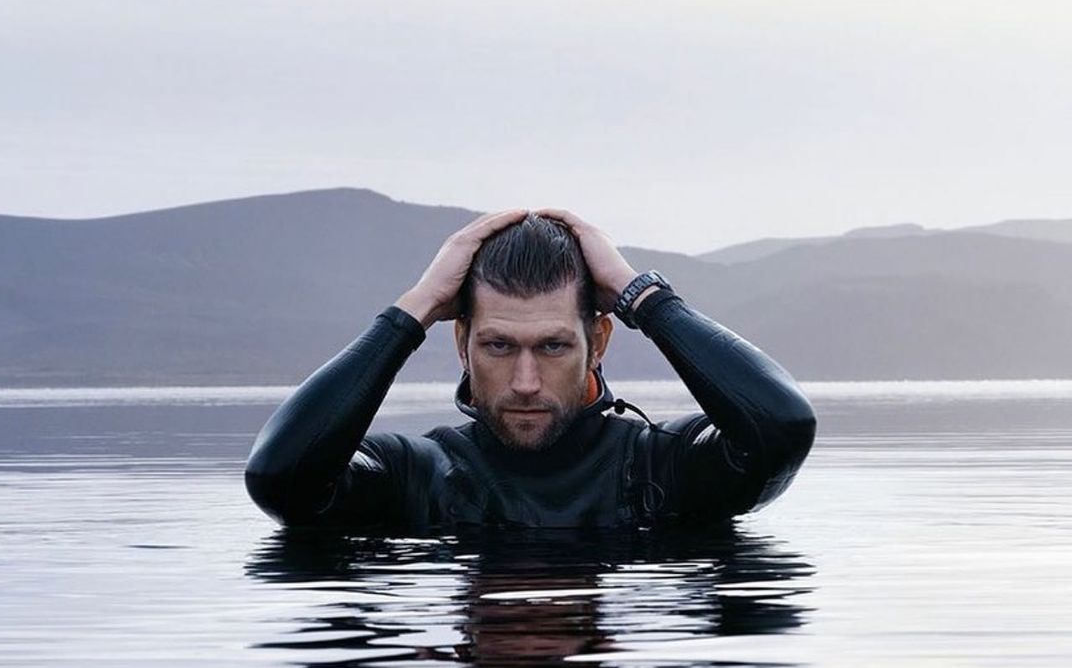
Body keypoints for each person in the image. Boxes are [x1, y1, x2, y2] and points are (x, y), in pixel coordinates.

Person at [244, 207, 816, 533]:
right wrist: (414, 309)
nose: (525, 383)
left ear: (598, 343)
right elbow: (281, 479)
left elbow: (781, 427)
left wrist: (642, 296)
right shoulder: (416, 475)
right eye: (498, 346)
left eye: (552, 347)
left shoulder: (664, 466)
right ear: (462, 342)